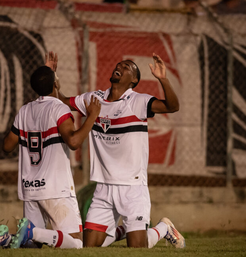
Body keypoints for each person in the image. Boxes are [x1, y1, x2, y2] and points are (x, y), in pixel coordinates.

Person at [49, 51, 185, 248]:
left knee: (137, 248)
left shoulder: (137, 101)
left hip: (132, 188)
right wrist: (52, 77)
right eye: (119, 65)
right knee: (88, 249)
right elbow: (61, 101)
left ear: (134, 80)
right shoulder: (94, 99)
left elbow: (172, 106)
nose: (119, 67)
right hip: (103, 187)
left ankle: (163, 229)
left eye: (127, 67)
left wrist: (163, 79)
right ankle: (125, 230)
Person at [0, 55, 101, 250]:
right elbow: (74, 142)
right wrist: (92, 115)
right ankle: (30, 231)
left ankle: (9, 239)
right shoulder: (59, 109)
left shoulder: (25, 111)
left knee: (32, 247)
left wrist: (46, 75)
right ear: (55, 85)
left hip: (30, 187)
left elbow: (7, 146)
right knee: (76, 243)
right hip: (55, 187)